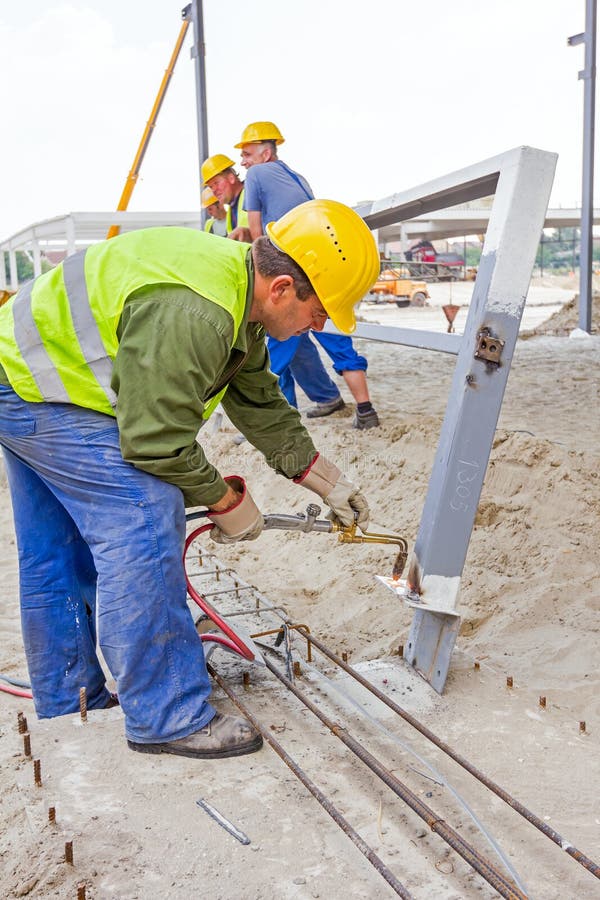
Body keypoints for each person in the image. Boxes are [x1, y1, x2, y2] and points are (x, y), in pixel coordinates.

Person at [0, 200, 379, 762]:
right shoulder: (196, 311)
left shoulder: (234, 291)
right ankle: (167, 713)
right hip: (44, 391)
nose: (320, 325)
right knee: (147, 515)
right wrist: (226, 501)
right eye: (319, 310)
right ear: (281, 289)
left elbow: (256, 399)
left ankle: (69, 696)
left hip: (25, 375)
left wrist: (324, 479)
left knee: (57, 547)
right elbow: (156, 443)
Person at [237, 121, 380, 429]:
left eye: (247, 154)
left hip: (290, 268)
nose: (243, 161)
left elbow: (256, 233)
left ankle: (271, 420)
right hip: (320, 267)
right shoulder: (297, 177)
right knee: (330, 335)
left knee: (274, 353)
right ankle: (362, 409)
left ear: (265, 153)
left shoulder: (256, 174)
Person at [201, 153, 249, 240]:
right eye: (211, 187)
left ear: (231, 178)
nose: (214, 190)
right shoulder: (232, 209)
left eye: (216, 183)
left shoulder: (250, 194)